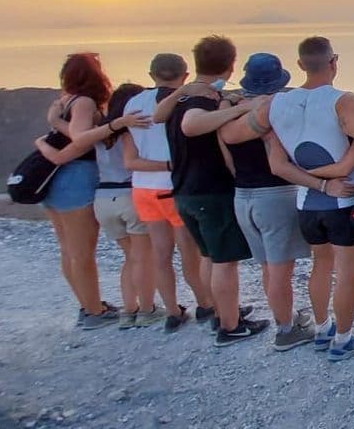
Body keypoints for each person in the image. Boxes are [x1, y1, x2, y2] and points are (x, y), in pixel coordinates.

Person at [245, 37, 354, 361]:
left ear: (300, 65)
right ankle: (344, 339)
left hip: (306, 202)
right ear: (334, 62)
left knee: (320, 266)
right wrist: (353, 152)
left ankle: (322, 328)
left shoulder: (277, 104)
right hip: (343, 200)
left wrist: (316, 183)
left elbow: (278, 164)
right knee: (346, 273)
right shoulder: (343, 99)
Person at [216, 53, 335, 352]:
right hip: (275, 194)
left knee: (269, 266)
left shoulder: (231, 110)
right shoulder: (275, 111)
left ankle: (287, 318)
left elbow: (227, 156)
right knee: (282, 269)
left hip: (242, 194)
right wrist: (321, 183)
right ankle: (286, 330)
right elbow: (279, 162)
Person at [162, 36, 269, 346]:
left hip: (184, 190)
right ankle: (230, 326)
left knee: (210, 256)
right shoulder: (199, 101)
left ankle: (222, 312)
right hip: (210, 190)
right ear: (231, 64)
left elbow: (162, 118)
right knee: (224, 261)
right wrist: (239, 110)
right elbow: (191, 126)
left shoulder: (181, 99)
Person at [37, 72, 153, 330]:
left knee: (127, 255)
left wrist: (54, 122)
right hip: (129, 195)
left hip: (103, 199)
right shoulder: (134, 131)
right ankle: (144, 309)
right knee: (140, 256)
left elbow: (76, 138)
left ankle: (127, 310)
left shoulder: (100, 135)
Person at [123, 53, 213, 332]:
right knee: (190, 252)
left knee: (160, 253)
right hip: (174, 186)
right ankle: (205, 303)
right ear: (185, 76)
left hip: (142, 188)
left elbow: (131, 152)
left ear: (151, 75)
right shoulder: (183, 103)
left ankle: (173, 311)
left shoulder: (133, 103)